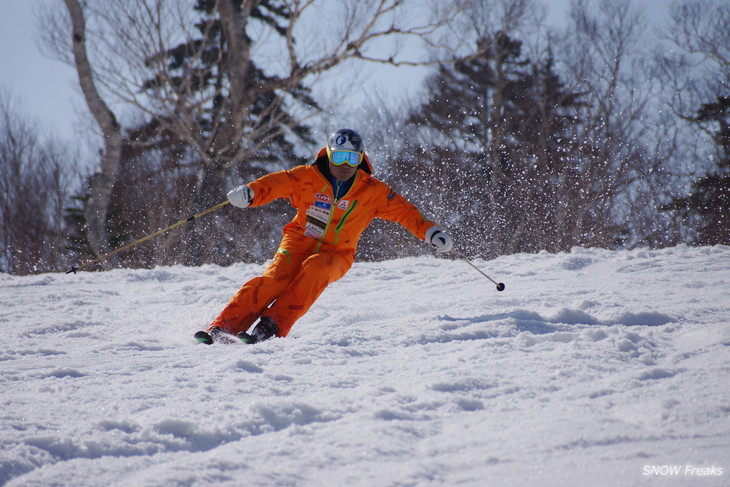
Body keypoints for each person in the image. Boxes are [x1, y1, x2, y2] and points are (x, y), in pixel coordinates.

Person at [196, 128, 453, 344]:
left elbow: (404, 212)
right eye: (339, 157)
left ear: (360, 159)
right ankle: (224, 327)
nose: (344, 165)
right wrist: (250, 193)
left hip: (337, 254)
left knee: (316, 268)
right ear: (328, 154)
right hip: (298, 241)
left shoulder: (372, 191)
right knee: (275, 279)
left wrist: (429, 231)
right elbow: (277, 183)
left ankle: (271, 326)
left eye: (351, 159)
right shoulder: (308, 177)